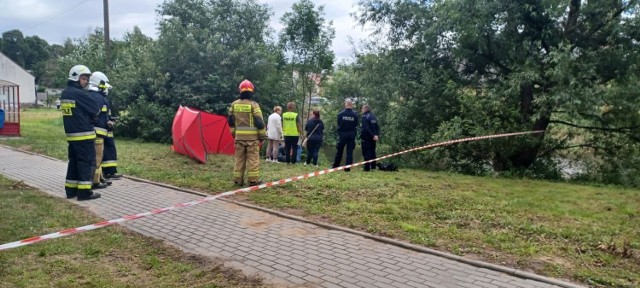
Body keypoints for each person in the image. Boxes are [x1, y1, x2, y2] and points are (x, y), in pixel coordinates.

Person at [60, 65, 101, 201]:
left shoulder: (65, 93)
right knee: (86, 163)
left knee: (73, 162)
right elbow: (95, 108)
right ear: (76, 78)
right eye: (84, 78)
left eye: (87, 79)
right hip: (84, 135)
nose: (86, 81)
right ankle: (84, 192)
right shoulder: (80, 94)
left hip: (72, 135)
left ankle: (70, 190)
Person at [228, 79, 267, 186]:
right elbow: (259, 122)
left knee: (239, 159)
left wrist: (233, 134)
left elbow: (230, 121)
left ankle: (237, 180)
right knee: (253, 159)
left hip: (239, 138)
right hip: (252, 139)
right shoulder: (253, 105)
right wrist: (263, 136)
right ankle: (253, 180)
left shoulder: (234, 104)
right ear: (251, 92)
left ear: (240, 91)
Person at [88, 71, 112, 189]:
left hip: (95, 132)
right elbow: (94, 115)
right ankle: (95, 181)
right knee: (97, 157)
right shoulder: (98, 98)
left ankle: (100, 177)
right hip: (97, 133)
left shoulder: (91, 96)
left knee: (99, 156)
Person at [332, 99, 359, 172]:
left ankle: (335, 166)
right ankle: (347, 168)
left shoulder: (340, 114)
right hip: (351, 135)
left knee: (339, 150)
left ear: (346, 104)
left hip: (342, 134)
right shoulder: (355, 115)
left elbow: (339, 124)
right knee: (349, 151)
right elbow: (356, 124)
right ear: (352, 105)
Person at [361, 104, 380, 171]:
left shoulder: (365, 117)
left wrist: (373, 135)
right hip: (373, 138)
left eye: (362, 108)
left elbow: (366, 128)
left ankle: (366, 168)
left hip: (366, 138)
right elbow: (377, 127)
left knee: (366, 152)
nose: (361, 110)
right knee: (372, 152)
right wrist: (376, 135)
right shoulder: (374, 117)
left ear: (366, 109)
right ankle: (373, 166)